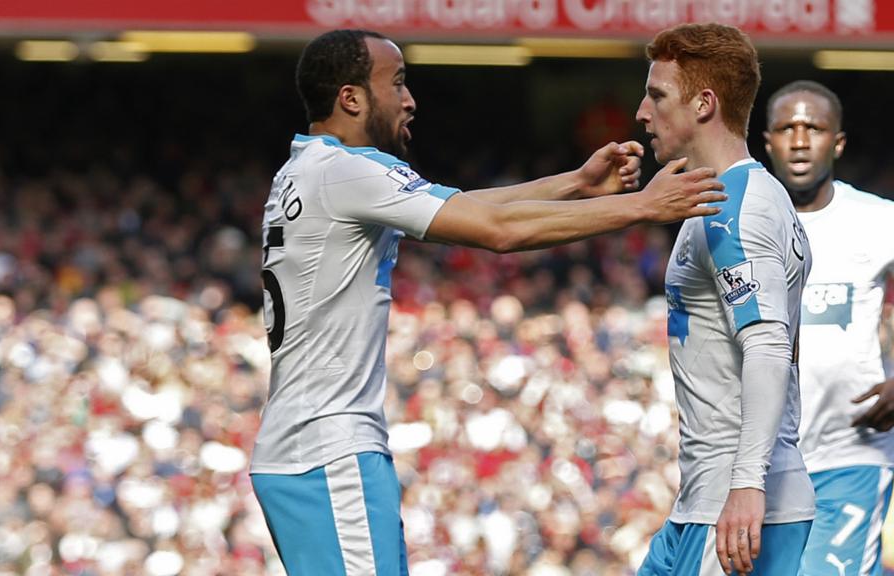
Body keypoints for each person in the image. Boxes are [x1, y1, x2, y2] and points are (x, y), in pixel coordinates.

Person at [250, 28, 726, 576]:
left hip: (298, 447)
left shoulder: (310, 169)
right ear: (351, 98)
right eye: (398, 83)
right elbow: (495, 230)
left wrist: (574, 185)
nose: (410, 99)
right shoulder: (349, 171)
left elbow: (459, 206)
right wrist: (642, 208)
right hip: (329, 448)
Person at [634, 24, 815, 575]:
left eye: (658, 95)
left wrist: (746, 485)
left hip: (735, 511)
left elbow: (767, 345)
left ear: (704, 104)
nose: (643, 112)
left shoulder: (736, 206)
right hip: (702, 502)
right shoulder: (729, 196)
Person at [763, 80, 894, 576]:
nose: (799, 140)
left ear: (837, 142)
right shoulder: (738, 224)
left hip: (851, 452)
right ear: (767, 141)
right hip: (762, 465)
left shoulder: (879, 220)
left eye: (813, 128)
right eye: (787, 129)